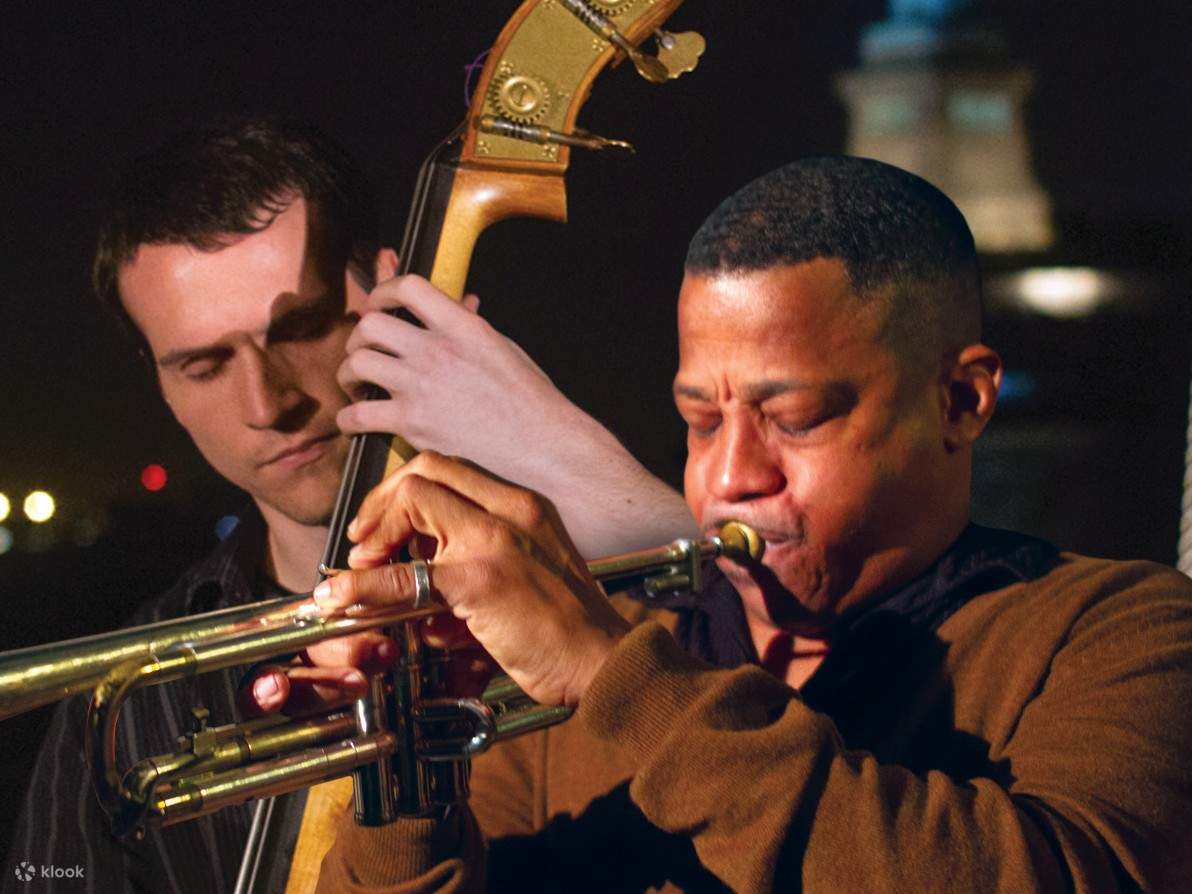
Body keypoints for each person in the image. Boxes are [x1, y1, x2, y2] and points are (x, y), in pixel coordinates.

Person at [284, 157, 1192, 892]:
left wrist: (614, 674)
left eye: (795, 420)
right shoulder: (563, 689)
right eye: (701, 421)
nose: (727, 479)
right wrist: (408, 775)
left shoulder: (1125, 631)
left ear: (959, 401)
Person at [2, 118, 696, 893]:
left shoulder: (590, 585)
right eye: (203, 365)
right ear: (158, 380)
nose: (267, 404)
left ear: (389, 293)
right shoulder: (128, 703)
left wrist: (560, 449)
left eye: (298, 329)